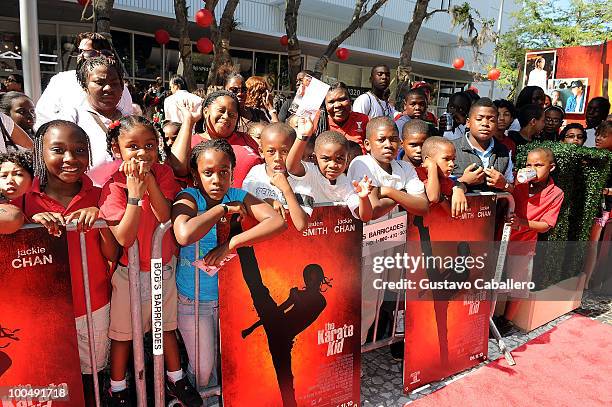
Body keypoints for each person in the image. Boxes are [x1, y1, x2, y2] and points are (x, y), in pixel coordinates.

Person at [98, 115, 202, 406]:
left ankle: (175, 379)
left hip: (161, 270)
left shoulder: (164, 173)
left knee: (164, 327)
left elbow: (164, 215)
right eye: (133, 146)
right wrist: (134, 194)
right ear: (117, 150)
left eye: (150, 145)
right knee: (123, 334)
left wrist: (151, 182)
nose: (142, 153)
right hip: (128, 273)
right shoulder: (113, 184)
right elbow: (124, 238)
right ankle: (117, 389)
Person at [171, 138, 285, 390]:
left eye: (224, 172)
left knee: (232, 362)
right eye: (208, 173)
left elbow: (276, 222)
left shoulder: (238, 195)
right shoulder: (188, 196)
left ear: (233, 172)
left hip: (230, 300)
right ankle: (191, 394)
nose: (217, 180)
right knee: (202, 369)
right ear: (195, 174)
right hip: (194, 300)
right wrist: (222, 209)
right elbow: (184, 234)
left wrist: (230, 244)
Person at [20, 120, 117, 406]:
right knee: (51, 378)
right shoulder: (24, 198)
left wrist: (100, 220)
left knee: (92, 378)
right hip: (43, 311)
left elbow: (113, 254)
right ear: (40, 153)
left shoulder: (101, 194)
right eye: (58, 150)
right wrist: (28, 221)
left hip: (93, 305)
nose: (71, 159)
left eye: (79, 150)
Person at [237, 245, 330, 407]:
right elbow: (278, 312)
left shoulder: (320, 301)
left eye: (314, 278)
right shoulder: (298, 294)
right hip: (276, 327)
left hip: (284, 337)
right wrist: (252, 328)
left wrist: (294, 297)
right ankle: (245, 247)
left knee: (285, 377)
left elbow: (307, 313)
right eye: (308, 277)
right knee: (257, 287)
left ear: (321, 278)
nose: (311, 281)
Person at [504, 147, 563, 320]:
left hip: (524, 243)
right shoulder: (517, 180)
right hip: (501, 238)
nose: (532, 169)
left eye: (538, 165)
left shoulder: (556, 193)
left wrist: (521, 223)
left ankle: (507, 321)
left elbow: (546, 225)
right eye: (529, 164)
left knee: (518, 285)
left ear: (551, 167)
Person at [35, 32, 133, 129]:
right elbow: (43, 116)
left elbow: (127, 118)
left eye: (90, 53)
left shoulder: (120, 87)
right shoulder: (61, 80)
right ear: (85, 87)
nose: (81, 55)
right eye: (82, 51)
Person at [169, 91, 263, 188]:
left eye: (232, 115)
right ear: (205, 112)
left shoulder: (246, 139)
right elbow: (178, 168)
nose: (226, 117)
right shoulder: (191, 141)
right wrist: (189, 120)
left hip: (250, 201)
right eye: (221, 111)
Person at [286, 119, 374, 222]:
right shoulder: (310, 172)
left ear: (347, 160)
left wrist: (363, 198)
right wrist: (303, 137)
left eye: (339, 159)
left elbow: (365, 217)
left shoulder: (345, 183)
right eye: (326, 159)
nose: (333, 165)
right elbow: (291, 167)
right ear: (315, 158)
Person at [59, 56, 125, 186]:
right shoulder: (71, 118)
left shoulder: (131, 120)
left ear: (122, 87)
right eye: (99, 83)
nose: (108, 88)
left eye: (114, 83)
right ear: (85, 86)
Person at [243, 123, 313, 231]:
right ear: (261, 152)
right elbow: (245, 208)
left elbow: (301, 225)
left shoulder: (301, 176)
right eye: (271, 151)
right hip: (263, 244)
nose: (277, 158)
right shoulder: (255, 174)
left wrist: (286, 189)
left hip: (294, 244)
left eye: (284, 151)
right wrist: (267, 202)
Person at [451, 98, 514, 193]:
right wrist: (462, 181)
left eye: (491, 120)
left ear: (497, 124)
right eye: (479, 119)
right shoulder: (452, 148)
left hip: (494, 207)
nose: (485, 124)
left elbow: (512, 189)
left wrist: (504, 184)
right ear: (468, 123)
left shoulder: (504, 151)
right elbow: (439, 189)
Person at [417, 136, 468, 217]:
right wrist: (432, 166)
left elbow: (460, 185)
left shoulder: (444, 179)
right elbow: (433, 197)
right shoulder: (417, 174)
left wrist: (458, 190)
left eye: (453, 159)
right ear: (428, 159)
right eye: (446, 159)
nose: (452, 164)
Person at [318, 82, 369, 154]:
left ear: (350, 101)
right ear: (325, 106)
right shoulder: (317, 123)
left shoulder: (364, 121)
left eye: (342, 99)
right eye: (331, 102)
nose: (337, 105)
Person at [0, 151, 32, 234]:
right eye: (3, 176)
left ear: (32, 179)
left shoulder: (43, 202)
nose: (10, 181)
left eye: (18, 174)